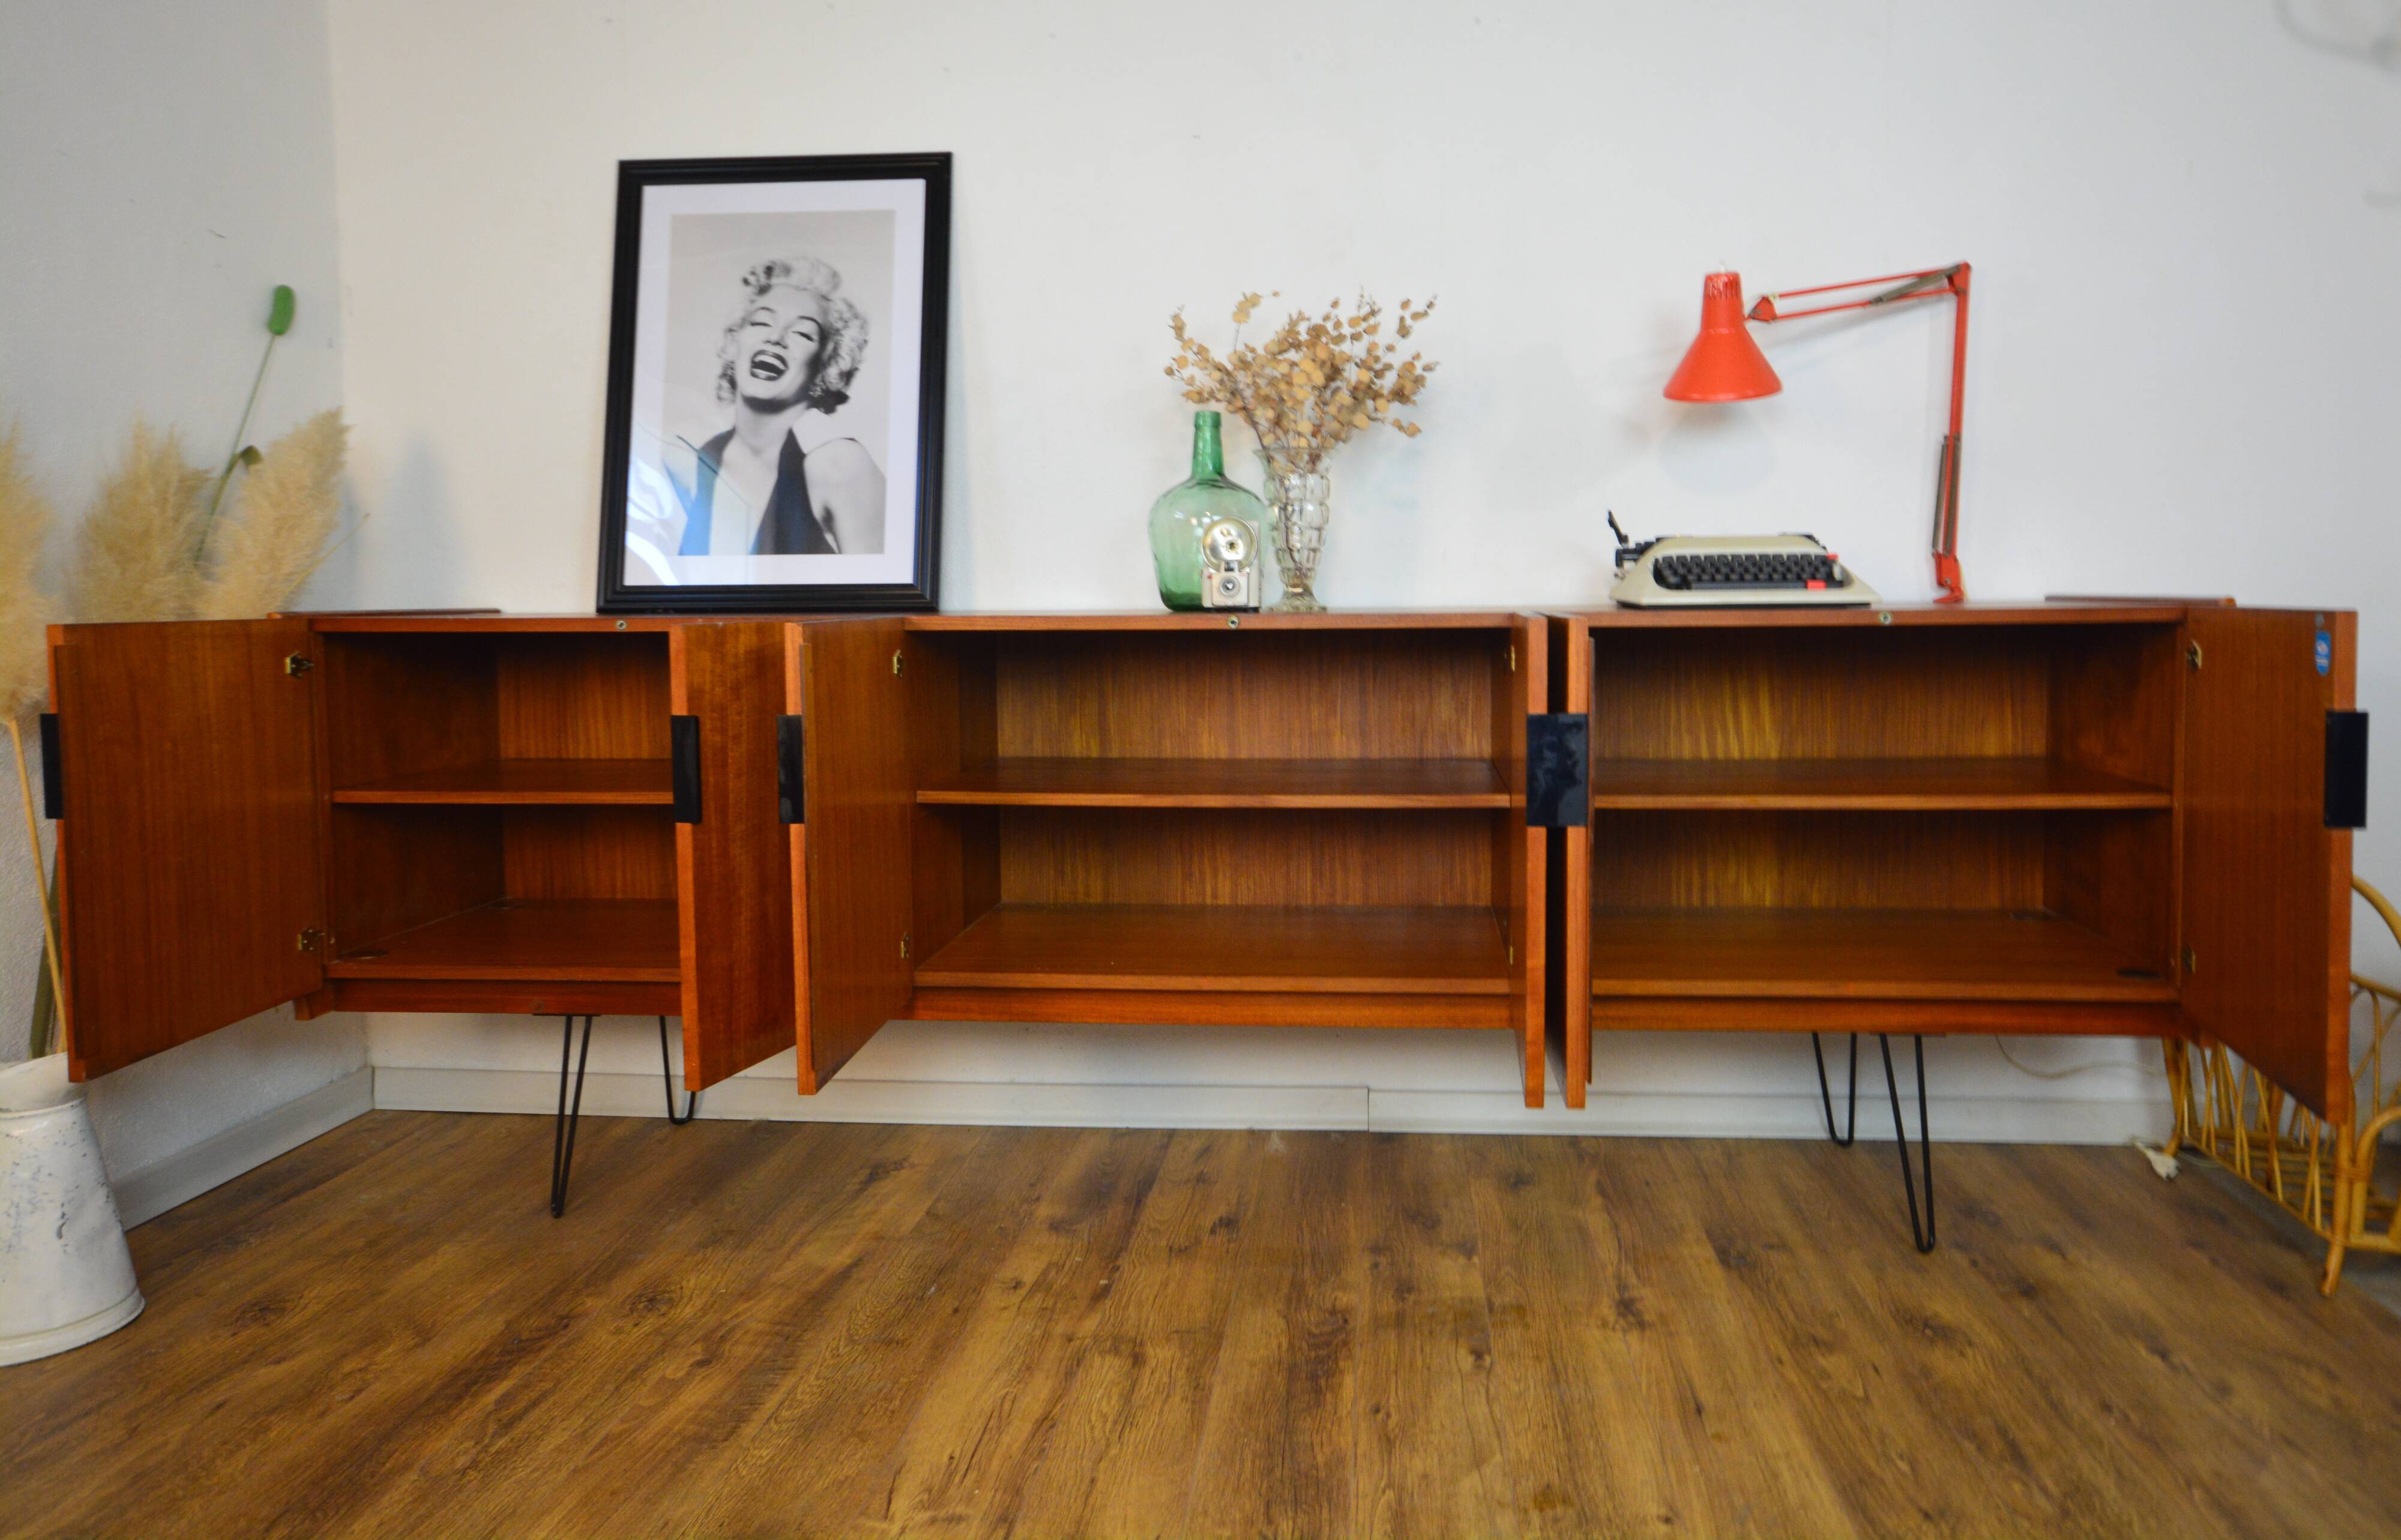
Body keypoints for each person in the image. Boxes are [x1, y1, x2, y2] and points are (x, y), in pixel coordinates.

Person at [682, 256, 885, 557]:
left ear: (826, 366)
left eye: (803, 333)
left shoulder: (841, 468)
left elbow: (882, 594)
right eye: (762, 322)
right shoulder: (694, 463)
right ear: (735, 343)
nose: (776, 338)